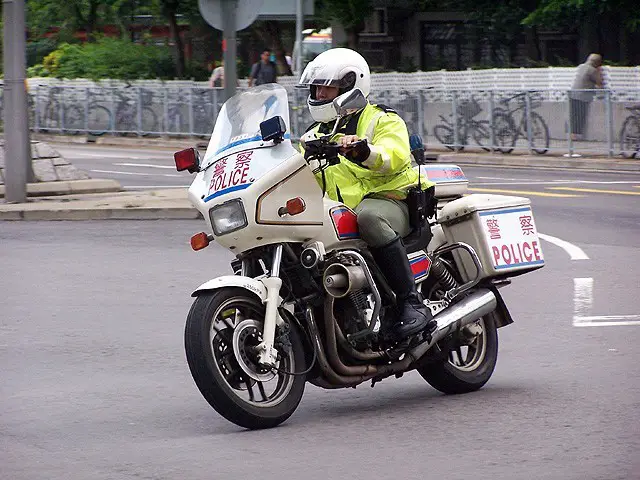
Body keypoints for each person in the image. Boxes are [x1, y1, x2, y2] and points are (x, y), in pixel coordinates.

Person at [297, 48, 437, 342]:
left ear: (351, 85)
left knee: (369, 218)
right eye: (317, 87)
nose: (320, 93)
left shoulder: (381, 120)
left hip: (391, 201)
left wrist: (363, 150)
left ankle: (410, 303)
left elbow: (394, 156)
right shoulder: (312, 137)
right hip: (340, 213)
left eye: (328, 87)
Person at [570, 53, 604, 140]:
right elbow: (599, 83)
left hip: (573, 93)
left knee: (573, 115)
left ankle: (572, 134)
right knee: (581, 115)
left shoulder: (581, 66)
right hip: (583, 96)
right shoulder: (592, 70)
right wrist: (599, 72)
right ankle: (576, 135)